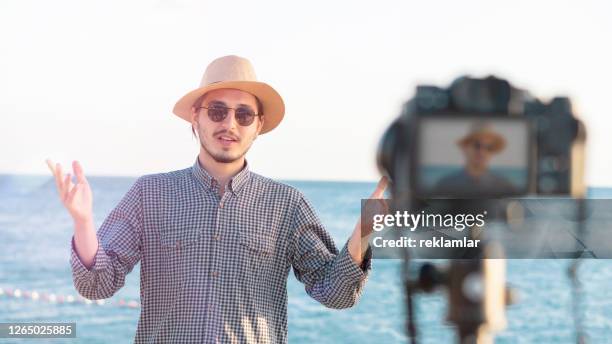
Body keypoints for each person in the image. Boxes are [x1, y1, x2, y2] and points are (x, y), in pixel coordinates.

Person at [47, 55, 387, 343]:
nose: (230, 124)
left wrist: (364, 230)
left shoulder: (288, 205)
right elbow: (96, 285)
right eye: (217, 111)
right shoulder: (149, 194)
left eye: (243, 115)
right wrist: (83, 221)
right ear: (196, 116)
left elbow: (336, 293)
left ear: (258, 125)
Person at [432, 121, 516, 196]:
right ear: (465, 148)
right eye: (477, 145)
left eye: (489, 147)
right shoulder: (445, 186)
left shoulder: (505, 187)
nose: (482, 152)